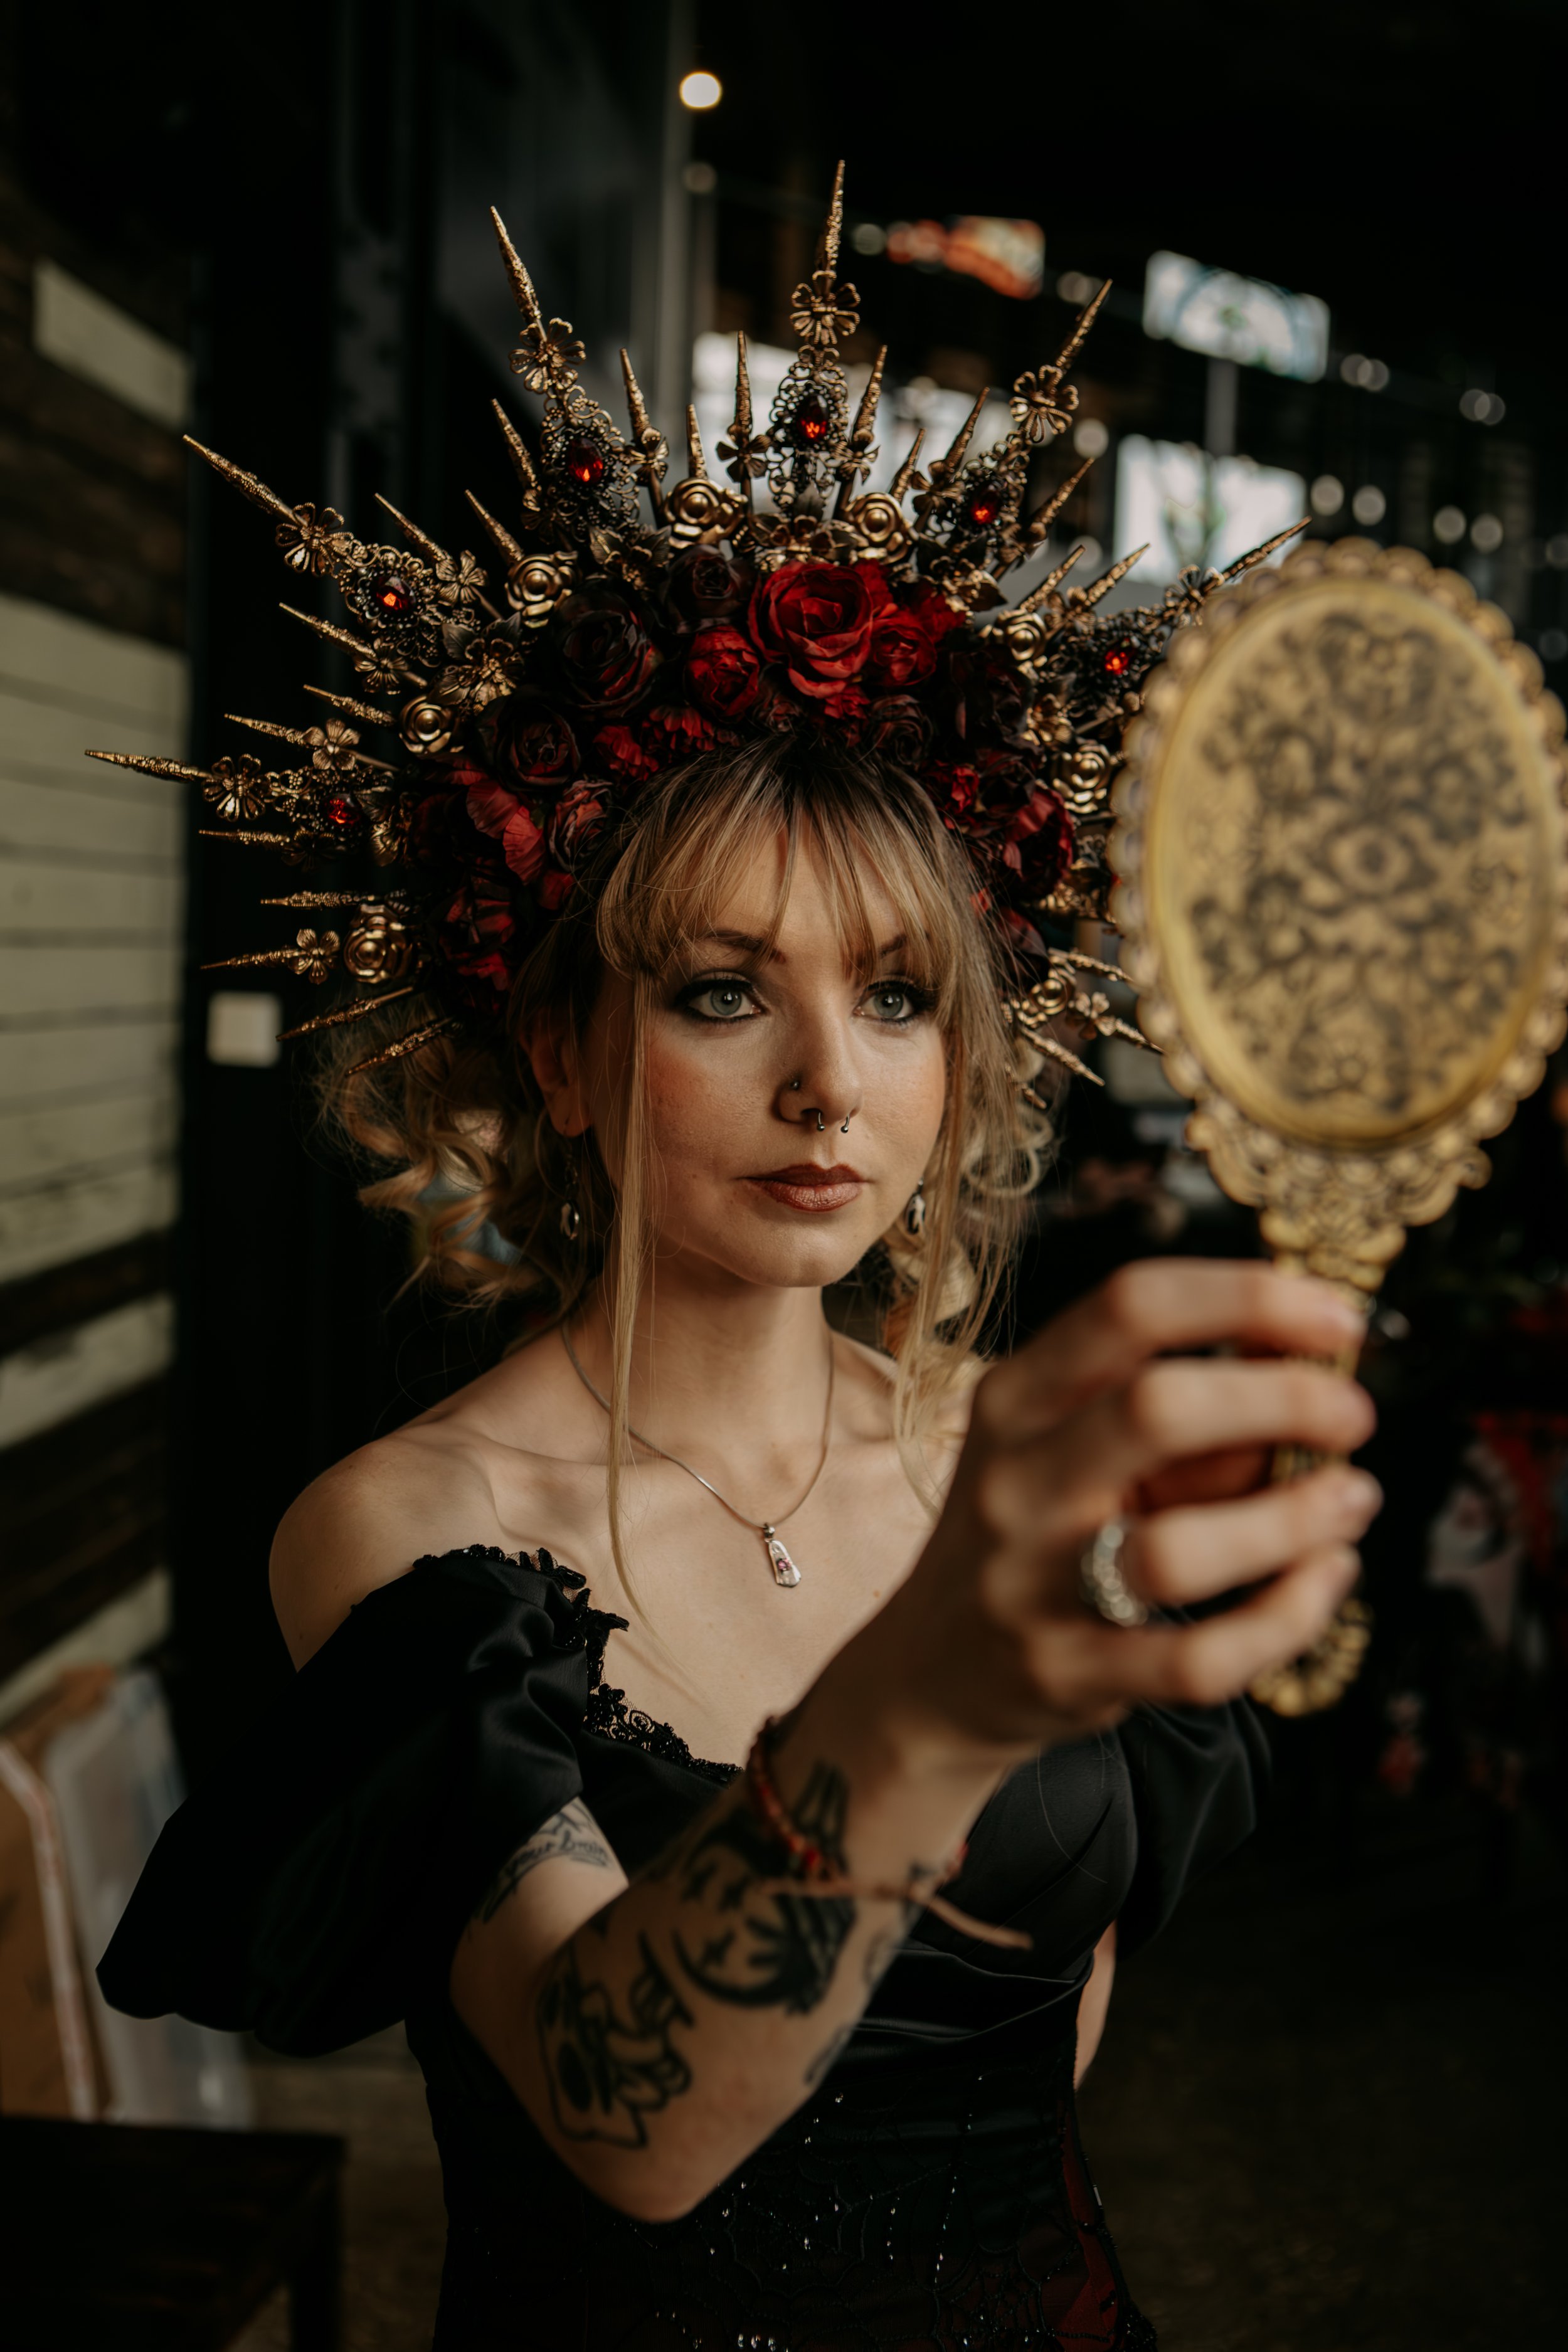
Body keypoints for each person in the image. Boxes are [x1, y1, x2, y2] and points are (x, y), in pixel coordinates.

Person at [97, 182, 1380, 2351]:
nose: (826, 1085)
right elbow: (637, 2122)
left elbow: (1032, 2071)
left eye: (894, 999)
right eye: (718, 993)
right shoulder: (411, 1541)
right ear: (564, 1060)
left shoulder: (1001, 1459)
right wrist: (938, 1701)